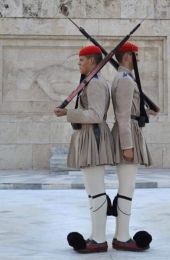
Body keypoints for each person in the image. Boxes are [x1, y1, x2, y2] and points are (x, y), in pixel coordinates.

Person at [54, 45, 114, 253]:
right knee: (92, 191)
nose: (78, 64)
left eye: (81, 61)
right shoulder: (91, 82)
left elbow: (96, 115)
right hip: (89, 136)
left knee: (96, 190)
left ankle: (99, 240)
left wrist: (68, 113)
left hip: (94, 136)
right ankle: (95, 236)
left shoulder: (96, 84)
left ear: (92, 61)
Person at [110, 41, 154, 251]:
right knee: (127, 188)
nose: (139, 59)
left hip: (131, 130)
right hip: (128, 134)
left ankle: (122, 233)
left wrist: (148, 109)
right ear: (128, 56)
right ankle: (122, 237)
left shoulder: (126, 78)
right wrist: (127, 145)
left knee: (127, 187)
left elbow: (132, 108)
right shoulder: (125, 79)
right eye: (137, 55)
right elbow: (123, 115)